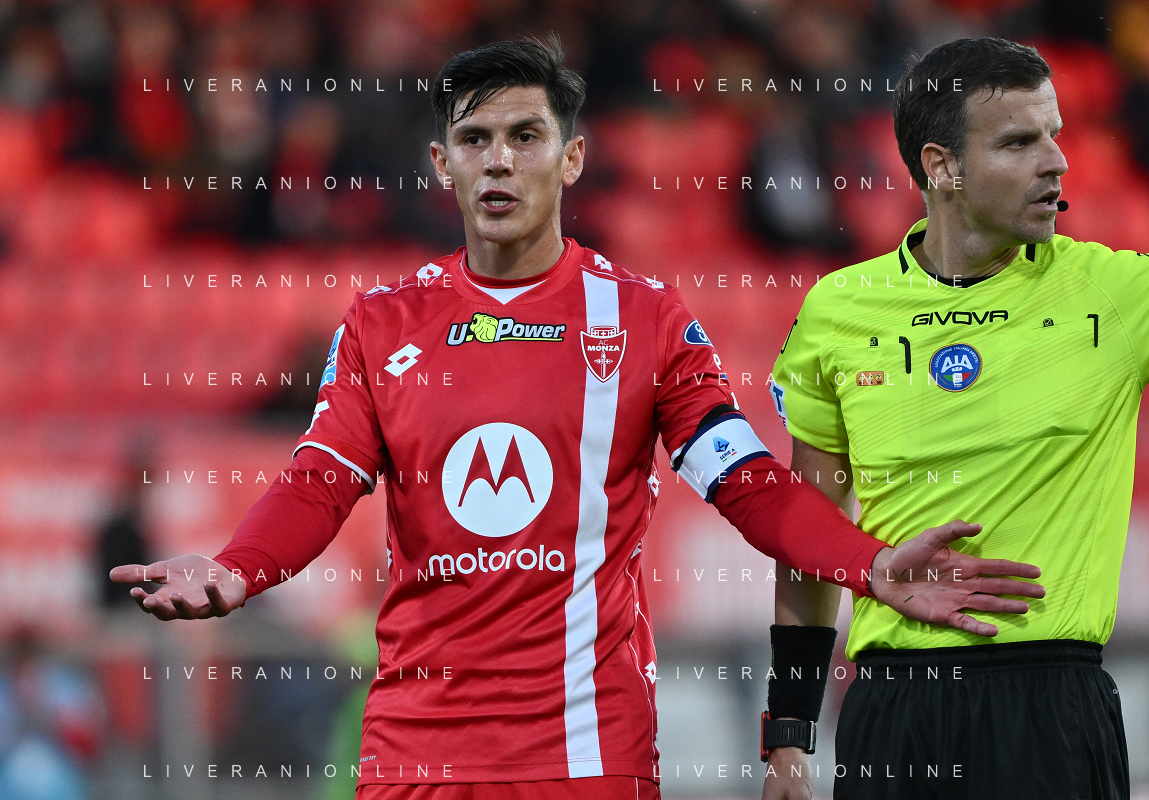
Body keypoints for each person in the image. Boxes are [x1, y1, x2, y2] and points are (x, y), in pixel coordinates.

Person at [112, 37, 1043, 800]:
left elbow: (749, 484)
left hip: (587, 755)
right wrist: (236, 569)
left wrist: (865, 563)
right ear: (441, 164)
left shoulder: (643, 320)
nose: (499, 160)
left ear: (572, 159)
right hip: (414, 756)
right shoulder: (380, 325)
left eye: (526, 136)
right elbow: (317, 481)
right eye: (474, 139)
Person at [765, 36, 1142, 800]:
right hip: (891, 709)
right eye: (1017, 142)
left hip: (1052, 710)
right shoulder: (838, 311)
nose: (1056, 162)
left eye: (1053, 134)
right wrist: (788, 739)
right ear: (940, 167)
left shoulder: (1117, 294)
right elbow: (809, 536)